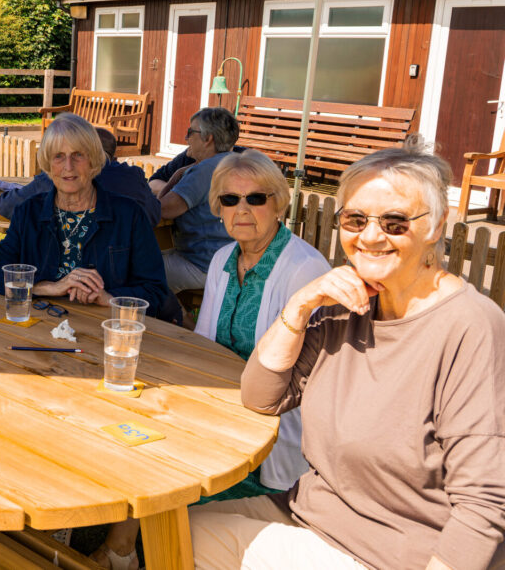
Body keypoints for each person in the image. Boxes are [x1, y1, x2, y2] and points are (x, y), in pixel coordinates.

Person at [191, 139, 505, 569]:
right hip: (312, 514)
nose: (370, 236)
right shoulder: (343, 306)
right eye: (355, 219)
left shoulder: (471, 326)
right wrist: (299, 306)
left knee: (179, 537)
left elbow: (484, 504)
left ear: (435, 226)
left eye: (395, 222)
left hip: (389, 552)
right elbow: (261, 397)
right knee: (169, 527)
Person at [90, 150, 330, 570]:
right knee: (135, 440)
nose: (242, 209)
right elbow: (204, 349)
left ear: (278, 203)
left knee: (164, 476)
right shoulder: (223, 260)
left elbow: (309, 380)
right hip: (219, 409)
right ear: (217, 208)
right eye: (229, 200)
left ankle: (131, 553)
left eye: (256, 198)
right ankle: (120, 551)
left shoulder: (303, 270)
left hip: (272, 434)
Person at [0, 114, 181, 323]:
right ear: (48, 165)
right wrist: (47, 287)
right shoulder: (28, 212)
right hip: (40, 324)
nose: (68, 166)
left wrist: (109, 298)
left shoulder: (129, 215)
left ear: (94, 161)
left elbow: (155, 290)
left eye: (78, 155)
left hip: (106, 328)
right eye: (58, 156)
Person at [0, 125, 160, 224]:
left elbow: (7, 206)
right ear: (114, 158)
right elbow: (154, 213)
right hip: (122, 264)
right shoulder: (133, 177)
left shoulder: (61, 175)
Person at [155, 107, 239, 293]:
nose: (186, 138)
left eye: (190, 132)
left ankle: (175, 314)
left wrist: (176, 176)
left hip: (202, 265)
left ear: (208, 138)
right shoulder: (237, 162)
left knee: (134, 268)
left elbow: (162, 210)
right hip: (232, 264)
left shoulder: (204, 171)